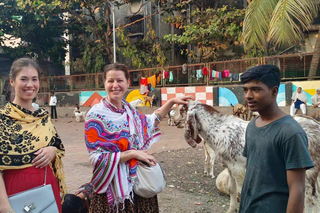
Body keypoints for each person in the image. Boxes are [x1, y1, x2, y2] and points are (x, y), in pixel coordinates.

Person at [85, 63, 192, 213]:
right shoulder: (95, 116)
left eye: (120, 80)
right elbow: (96, 158)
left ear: (128, 83)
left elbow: (151, 121)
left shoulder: (130, 112)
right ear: (104, 83)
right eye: (110, 81)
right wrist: (133, 154)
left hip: (139, 185)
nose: (115, 85)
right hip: (112, 190)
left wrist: (172, 102)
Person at [239, 65, 314, 213]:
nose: (248, 95)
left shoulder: (290, 132)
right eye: (245, 90)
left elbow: (297, 189)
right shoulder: (252, 126)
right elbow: (252, 173)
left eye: (256, 89)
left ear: (274, 92)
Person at [0, 58, 66, 213]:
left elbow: (57, 147)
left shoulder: (43, 117)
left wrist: (52, 150)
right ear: (12, 81)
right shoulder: (2, 119)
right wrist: (4, 208)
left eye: (34, 79)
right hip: (14, 192)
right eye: (23, 79)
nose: (30, 85)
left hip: (47, 190)